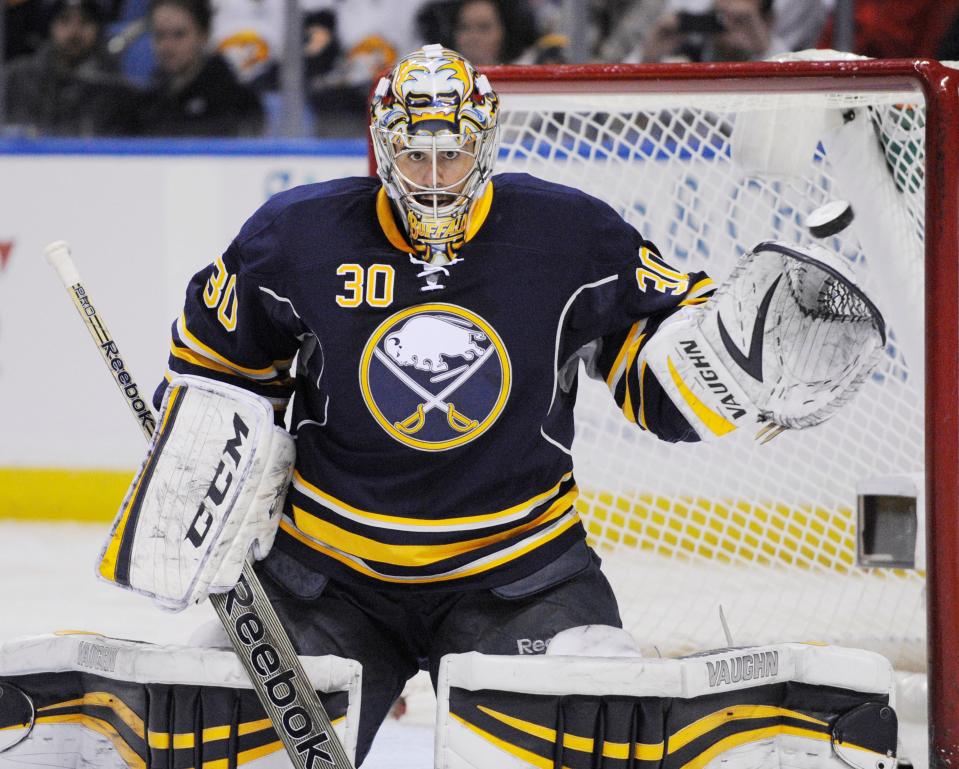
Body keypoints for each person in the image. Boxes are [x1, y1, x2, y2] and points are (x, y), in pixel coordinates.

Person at [134, 45, 882, 766]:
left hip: (522, 573)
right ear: (381, 147)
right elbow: (216, 370)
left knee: (590, 734)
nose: (432, 177)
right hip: (327, 577)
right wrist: (218, 493)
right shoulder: (294, 236)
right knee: (221, 751)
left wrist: (718, 361)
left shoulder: (567, 234)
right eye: (414, 155)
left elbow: (654, 386)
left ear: (485, 143)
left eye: (451, 153)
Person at [130, 0, 264, 137]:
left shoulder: (236, 101)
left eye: (179, 35)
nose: (167, 46)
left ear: (203, 36)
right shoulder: (146, 102)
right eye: (159, 35)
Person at [3, 0, 136, 136]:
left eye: (84, 22)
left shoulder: (114, 88)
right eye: (64, 21)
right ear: (51, 26)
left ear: (98, 29)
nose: (74, 32)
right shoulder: (18, 78)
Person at [638, 0, 785, 63]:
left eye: (741, 19)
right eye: (720, 15)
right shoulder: (684, 53)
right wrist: (648, 61)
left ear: (768, 21)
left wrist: (764, 50)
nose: (728, 25)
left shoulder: (776, 53)